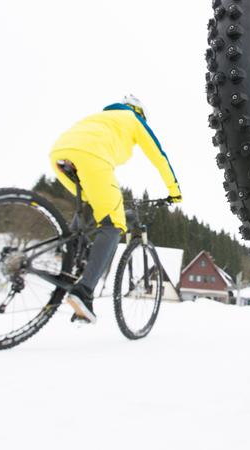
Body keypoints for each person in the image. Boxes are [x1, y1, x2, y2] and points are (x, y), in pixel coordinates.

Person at [50, 95, 182, 324]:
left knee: (92, 205)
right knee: (114, 225)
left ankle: (69, 251)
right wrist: (174, 190)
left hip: (60, 154)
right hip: (92, 157)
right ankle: (84, 292)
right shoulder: (133, 119)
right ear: (140, 113)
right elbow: (158, 156)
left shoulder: (102, 117)